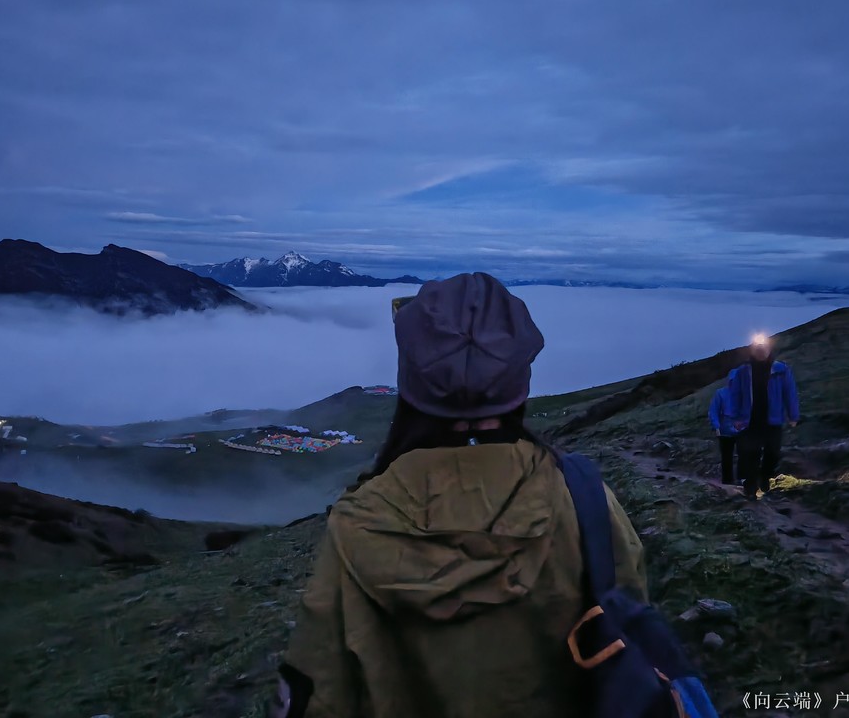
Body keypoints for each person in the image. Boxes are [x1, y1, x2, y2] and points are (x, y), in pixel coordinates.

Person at [269, 272, 647, 718]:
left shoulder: (356, 522)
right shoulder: (585, 499)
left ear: (410, 382)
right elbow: (631, 635)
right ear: (520, 382)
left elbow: (321, 691)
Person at [726, 335, 800, 500]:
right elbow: (734, 395)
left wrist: (793, 415)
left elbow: (790, 393)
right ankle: (750, 488)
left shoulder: (781, 370)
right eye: (757, 348)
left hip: (772, 420)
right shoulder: (742, 372)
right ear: (752, 350)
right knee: (750, 454)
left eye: (763, 348)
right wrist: (734, 417)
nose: (761, 352)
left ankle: (765, 477)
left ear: (769, 349)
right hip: (749, 421)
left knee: (772, 452)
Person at [707, 385, 738, 485]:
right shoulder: (720, 393)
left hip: (741, 430)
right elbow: (714, 411)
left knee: (745, 454)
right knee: (727, 456)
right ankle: (728, 481)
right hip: (725, 431)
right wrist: (716, 426)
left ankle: (744, 479)